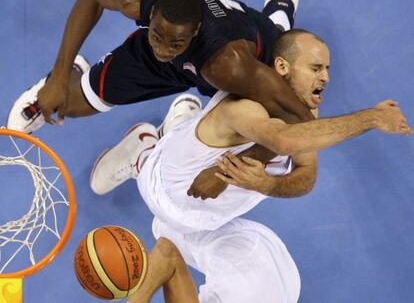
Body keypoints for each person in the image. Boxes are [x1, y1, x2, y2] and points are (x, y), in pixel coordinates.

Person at [89, 30, 411, 302]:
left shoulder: (303, 118)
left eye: (326, 68)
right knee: (164, 210)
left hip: (212, 221)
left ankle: (170, 132)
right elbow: (287, 142)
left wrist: (266, 184)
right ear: (283, 66)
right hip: (173, 193)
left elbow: (306, 172)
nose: (326, 77)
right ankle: (146, 150)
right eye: (316, 68)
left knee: (166, 228)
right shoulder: (246, 108)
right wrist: (372, 117)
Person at [7, 0, 311, 137]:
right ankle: (73, 70)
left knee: (236, 141)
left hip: (231, 57)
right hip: (195, 54)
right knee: (70, 104)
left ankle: (277, 20)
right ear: (149, 15)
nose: (164, 50)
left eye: (174, 44)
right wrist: (59, 78)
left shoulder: (230, 66)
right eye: (157, 36)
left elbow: (302, 119)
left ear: (194, 32)